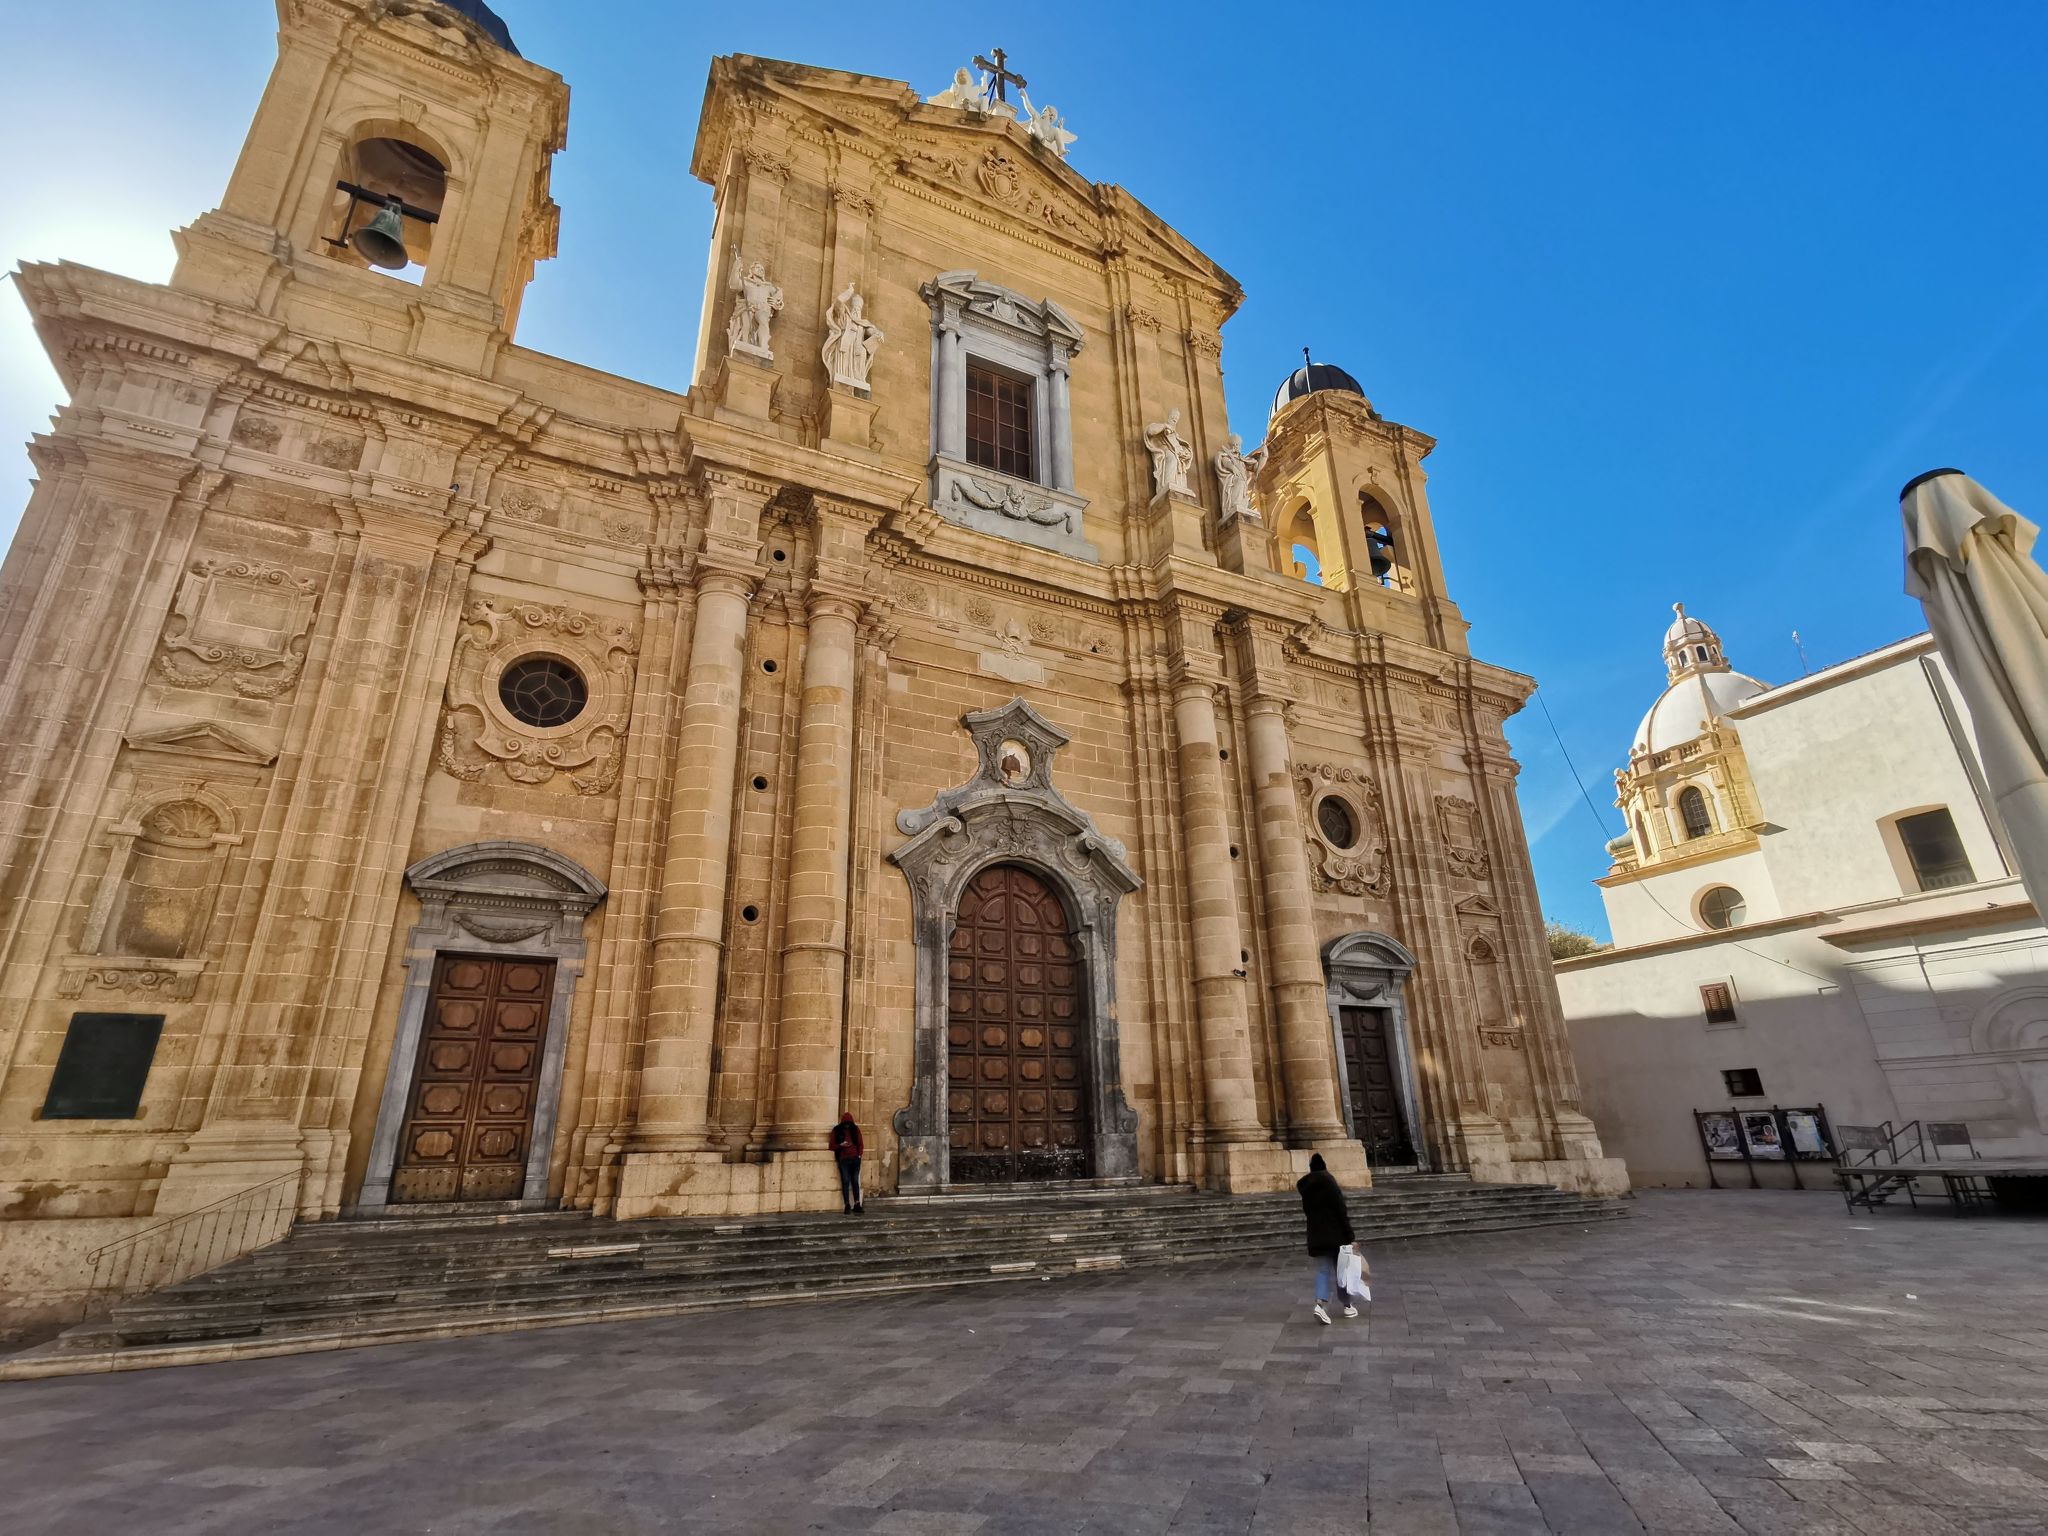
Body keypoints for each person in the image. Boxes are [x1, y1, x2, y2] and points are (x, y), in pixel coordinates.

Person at [1296, 1152, 1356, 1325]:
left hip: (1316, 1235)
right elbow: (1341, 1211)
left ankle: (1320, 1306)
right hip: (1337, 1235)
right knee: (1341, 1271)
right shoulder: (1330, 1183)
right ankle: (1347, 1305)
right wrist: (1350, 1236)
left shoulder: (1306, 1189)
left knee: (1322, 1271)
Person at [828, 1111, 864, 1214]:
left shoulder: (855, 1129)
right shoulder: (837, 1130)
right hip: (843, 1159)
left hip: (855, 1159)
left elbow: (860, 1143)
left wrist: (859, 1154)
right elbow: (831, 1146)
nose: (847, 1125)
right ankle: (847, 1204)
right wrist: (840, 1145)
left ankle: (857, 1203)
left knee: (855, 1181)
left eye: (849, 1123)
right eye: (846, 1123)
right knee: (846, 1181)